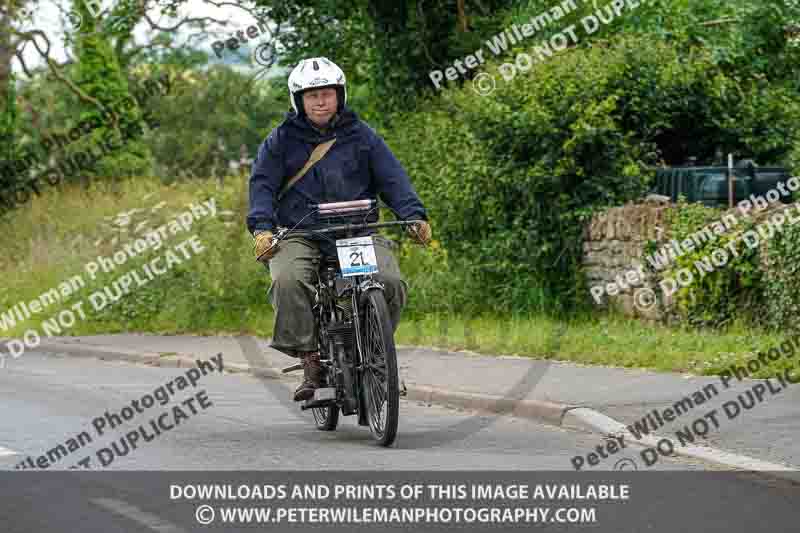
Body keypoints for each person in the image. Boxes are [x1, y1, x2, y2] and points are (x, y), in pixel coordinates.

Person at [246, 57, 432, 402]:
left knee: (389, 281)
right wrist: (261, 229)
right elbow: (262, 188)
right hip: (301, 233)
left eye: (327, 94)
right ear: (298, 100)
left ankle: (379, 356)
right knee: (287, 280)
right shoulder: (280, 141)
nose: (320, 101)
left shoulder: (362, 136)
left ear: (339, 96)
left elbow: (393, 179)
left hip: (355, 231)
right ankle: (310, 357)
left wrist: (414, 216)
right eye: (312, 95)